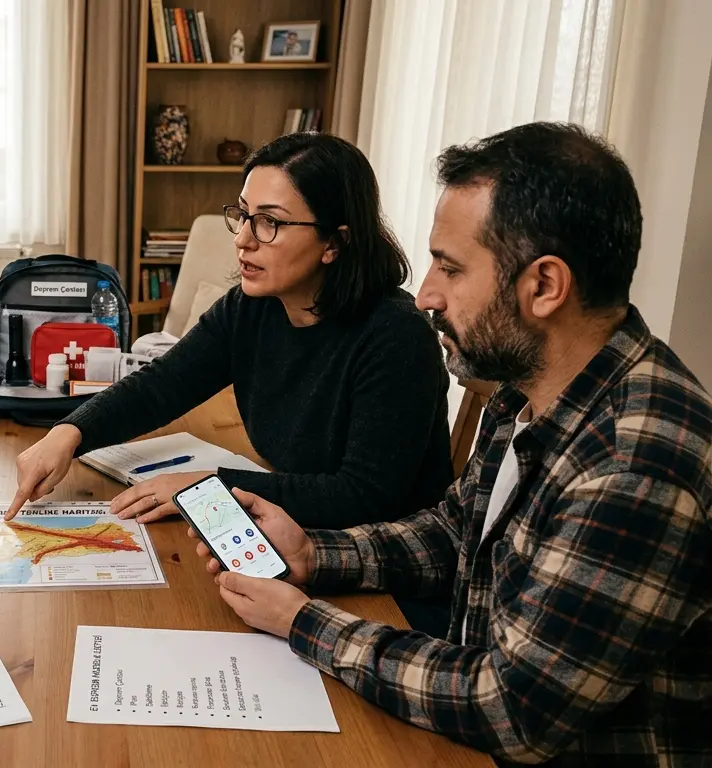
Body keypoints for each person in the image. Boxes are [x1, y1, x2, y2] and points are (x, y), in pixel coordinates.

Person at [193, 123, 712, 764]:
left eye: (452, 267)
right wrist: (314, 555)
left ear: (545, 286)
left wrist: (303, 620)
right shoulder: (527, 392)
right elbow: (455, 531)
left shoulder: (636, 463)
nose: (429, 294)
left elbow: (512, 709)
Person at [7, 133, 452, 532]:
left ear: (334, 242)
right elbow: (162, 385)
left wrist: (206, 488)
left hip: (375, 565)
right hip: (295, 531)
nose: (243, 238)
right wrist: (69, 432)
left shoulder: (396, 337)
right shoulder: (252, 307)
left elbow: (364, 497)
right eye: (243, 215)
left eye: (269, 222)